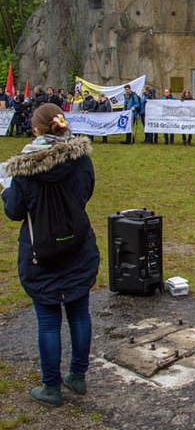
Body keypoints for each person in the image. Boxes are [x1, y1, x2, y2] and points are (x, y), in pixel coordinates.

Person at [2, 104, 99, 407]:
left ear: (36, 129)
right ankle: (77, 376)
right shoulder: (80, 157)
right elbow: (85, 191)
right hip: (76, 242)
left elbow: (14, 210)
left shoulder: (25, 167)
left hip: (41, 249)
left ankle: (53, 386)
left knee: (48, 322)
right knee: (79, 313)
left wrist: (6, 191)